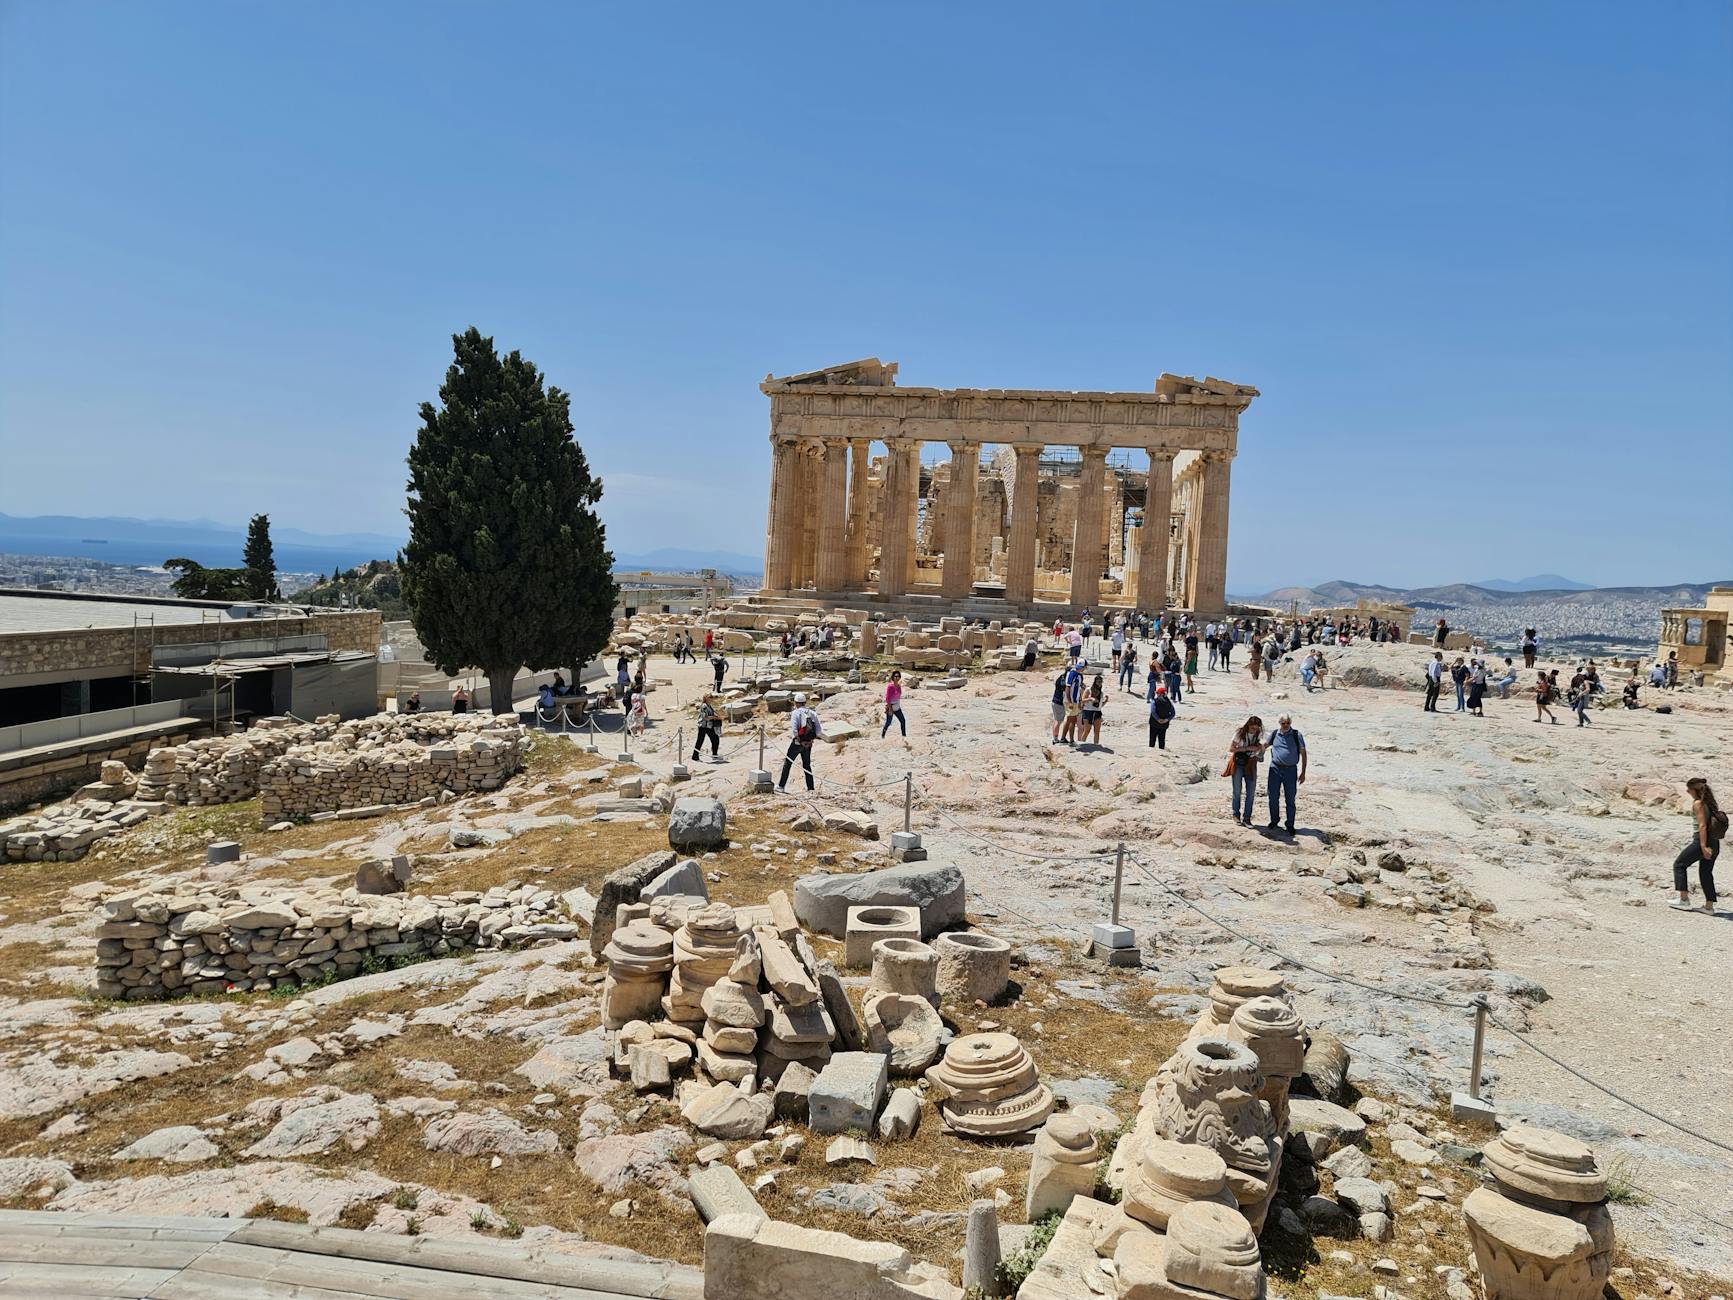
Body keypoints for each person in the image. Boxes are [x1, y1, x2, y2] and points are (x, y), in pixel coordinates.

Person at [1670, 777, 1724, 914]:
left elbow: (1702, 826)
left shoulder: (1698, 803)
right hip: (1715, 842)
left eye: (1689, 789)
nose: (1687, 791)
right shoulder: (1710, 803)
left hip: (1701, 840)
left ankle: (1683, 900)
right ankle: (1709, 907)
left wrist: (1703, 846)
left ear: (1695, 790)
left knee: (1679, 865)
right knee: (1706, 872)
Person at [1264, 714, 1306, 835]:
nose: (1286, 725)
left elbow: (1303, 753)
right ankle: (1274, 820)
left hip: (1291, 770)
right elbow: (1265, 745)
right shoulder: (1274, 734)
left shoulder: (1297, 735)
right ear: (1279, 723)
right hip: (1275, 769)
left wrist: (1303, 772)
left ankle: (1290, 824)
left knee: (1290, 798)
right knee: (1273, 797)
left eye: (1288, 723)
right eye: (1283, 723)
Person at [778, 693, 821, 792]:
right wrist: (810, 740)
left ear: (796, 703)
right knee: (807, 765)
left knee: (788, 763)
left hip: (798, 742)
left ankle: (781, 786)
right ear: (805, 702)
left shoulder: (795, 713)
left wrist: (800, 741)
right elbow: (818, 730)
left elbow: (794, 730)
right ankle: (810, 788)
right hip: (808, 743)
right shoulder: (812, 713)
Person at [1228, 715, 1264, 826]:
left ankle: (1247, 817)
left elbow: (1262, 748)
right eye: (1253, 728)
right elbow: (1231, 749)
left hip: (1251, 763)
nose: (1254, 730)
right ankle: (1236, 814)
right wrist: (1247, 748)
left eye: (1256, 728)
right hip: (1238, 763)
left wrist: (1260, 750)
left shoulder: (1259, 734)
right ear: (1248, 725)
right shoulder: (1240, 733)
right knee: (1237, 790)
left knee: (1251, 792)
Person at [1061, 659, 1085, 744]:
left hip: (1074, 700)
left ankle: (1063, 738)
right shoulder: (1072, 674)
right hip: (1071, 700)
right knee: (1072, 720)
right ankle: (1071, 741)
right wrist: (1070, 701)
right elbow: (1067, 687)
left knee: (1069, 720)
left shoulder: (1078, 675)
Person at [692, 695, 722, 761]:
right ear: (706, 698)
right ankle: (695, 756)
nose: (711, 698)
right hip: (703, 726)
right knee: (700, 741)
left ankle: (714, 755)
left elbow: (711, 715)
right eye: (710, 697)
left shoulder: (709, 706)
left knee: (715, 739)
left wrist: (717, 717)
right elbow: (705, 717)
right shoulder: (704, 706)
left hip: (709, 726)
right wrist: (715, 717)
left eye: (712, 697)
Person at [1148, 684, 1176, 750]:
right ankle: (1161, 750)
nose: (1157, 694)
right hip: (1164, 724)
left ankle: (1151, 751)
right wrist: (1167, 719)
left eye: (1157, 693)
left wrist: (1158, 719)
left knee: (1152, 739)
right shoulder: (1169, 702)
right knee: (1162, 739)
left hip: (1154, 723)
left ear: (1160, 694)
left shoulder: (1154, 701)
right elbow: (1173, 713)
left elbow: (1153, 711)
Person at [881, 671, 907, 739]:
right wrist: (890, 709)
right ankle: (883, 735)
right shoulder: (890, 686)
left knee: (903, 721)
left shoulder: (899, 686)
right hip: (891, 707)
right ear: (893, 677)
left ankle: (904, 736)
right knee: (888, 722)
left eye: (898, 676)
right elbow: (887, 698)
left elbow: (898, 697)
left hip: (897, 706)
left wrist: (898, 705)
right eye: (895, 676)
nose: (897, 678)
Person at [1082, 673, 1106, 746]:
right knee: (1087, 730)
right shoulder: (1088, 690)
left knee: (1097, 731)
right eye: (1098, 682)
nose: (1100, 684)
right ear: (1095, 682)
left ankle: (1096, 745)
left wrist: (1105, 701)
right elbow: (1082, 700)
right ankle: (1082, 744)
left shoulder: (1101, 692)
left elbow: (1100, 706)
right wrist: (1090, 699)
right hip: (1088, 711)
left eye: (1101, 682)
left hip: (1097, 712)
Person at [1051, 665, 1071, 744]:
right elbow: (1065, 693)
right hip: (1059, 703)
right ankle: (1055, 739)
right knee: (1058, 721)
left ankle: (1055, 737)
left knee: (1056, 720)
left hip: (1055, 701)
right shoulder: (1065, 681)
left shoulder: (1061, 677)